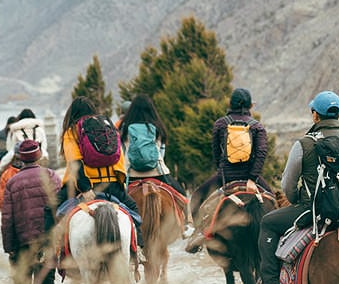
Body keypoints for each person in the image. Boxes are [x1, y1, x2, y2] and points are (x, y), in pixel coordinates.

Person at [257, 90, 339, 284]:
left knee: (267, 223)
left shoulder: (304, 145)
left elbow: (288, 185)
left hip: (310, 211)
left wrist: (297, 202)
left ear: (315, 115)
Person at [187, 88, 271, 252]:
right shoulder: (257, 127)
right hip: (250, 178)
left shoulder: (220, 123)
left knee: (196, 197)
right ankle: (277, 238)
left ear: (230, 104)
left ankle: (198, 233)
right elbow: (261, 153)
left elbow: (216, 153)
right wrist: (252, 179)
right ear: (249, 105)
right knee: (272, 199)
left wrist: (222, 171)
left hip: (225, 176)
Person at [1, 139, 62, 284]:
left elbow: (7, 218)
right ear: (38, 156)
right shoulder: (51, 176)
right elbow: (60, 208)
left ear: (20, 157)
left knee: (23, 281)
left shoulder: (12, 182)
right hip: (47, 239)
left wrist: (8, 246)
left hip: (22, 241)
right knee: (47, 280)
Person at [56, 96, 139, 225]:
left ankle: (46, 244)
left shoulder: (72, 130)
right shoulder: (108, 128)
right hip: (112, 185)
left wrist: (85, 189)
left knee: (49, 209)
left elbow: (74, 162)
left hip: (84, 186)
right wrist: (119, 183)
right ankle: (138, 244)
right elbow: (118, 156)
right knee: (133, 210)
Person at [119, 94, 193, 236]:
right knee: (183, 197)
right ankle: (186, 227)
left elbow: (123, 152)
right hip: (158, 173)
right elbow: (161, 152)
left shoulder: (125, 127)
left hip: (132, 175)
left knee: (118, 203)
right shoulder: (157, 127)